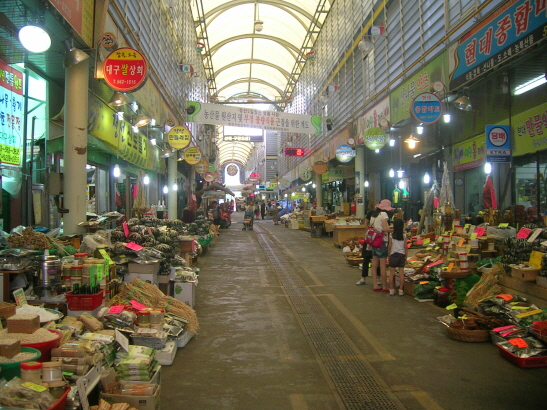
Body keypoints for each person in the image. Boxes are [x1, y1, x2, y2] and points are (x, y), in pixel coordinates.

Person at [369, 199, 394, 292]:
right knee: (383, 265)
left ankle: (375, 285)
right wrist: (395, 230)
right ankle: (384, 286)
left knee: (374, 265)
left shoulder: (373, 215)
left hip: (373, 241)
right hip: (381, 241)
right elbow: (385, 229)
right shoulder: (384, 215)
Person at [388, 218, 407, 296]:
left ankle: (391, 289)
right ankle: (401, 290)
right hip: (401, 255)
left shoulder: (391, 235)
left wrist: (389, 255)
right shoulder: (404, 235)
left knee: (391, 273)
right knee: (401, 273)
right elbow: (406, 247)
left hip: (393, 254)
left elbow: (389, 246)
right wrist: (406, 256)